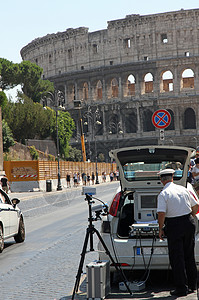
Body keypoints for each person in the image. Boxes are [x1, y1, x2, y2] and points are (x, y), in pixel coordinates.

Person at [157, 168, 199, 297]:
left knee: (177, 258)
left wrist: (160, 229)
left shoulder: (163, 194)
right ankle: (193, 286)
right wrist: (189, 217)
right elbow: (196, 206)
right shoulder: (183, 189)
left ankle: (181, 288)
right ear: (172, 178)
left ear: (161, 180)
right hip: (188, 222)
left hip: (174, 225)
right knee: (189, 256)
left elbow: (161, 213)